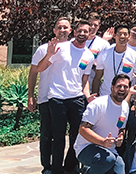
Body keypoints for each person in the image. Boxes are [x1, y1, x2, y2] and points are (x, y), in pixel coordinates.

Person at [37, 19, 96, 174]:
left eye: (86, 31)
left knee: (77, 135)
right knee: (58, 137)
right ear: (74, 32)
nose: (82, 33)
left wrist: (88, 96)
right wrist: (49, 54)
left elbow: (85, 80)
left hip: (76, 99)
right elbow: (40, 68)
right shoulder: (60, 48)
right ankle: (56, 169)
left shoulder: (89, 55)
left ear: (90, 34)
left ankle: (70, 167)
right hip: (57, 98)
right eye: (80, 30)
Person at [28, 17, 72, 174]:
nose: (62, 30)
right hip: (46, 98)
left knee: (66, 135)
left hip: (67, 98)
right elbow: (33, 72)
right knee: (47, 134)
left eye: (65, 27)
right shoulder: (43, 49)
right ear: (54, 30)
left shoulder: (74, 49)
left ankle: (64, 167)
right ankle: (47, 167)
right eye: (59, 27)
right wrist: (31, 96)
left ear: (70, 30)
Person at [75, 74, 133, 174]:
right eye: (119, 86)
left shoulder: (125, 107)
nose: (122, 89)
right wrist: (102, 141)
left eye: (125, 87)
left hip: (109, 150)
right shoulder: (98, 104)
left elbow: (121, 129)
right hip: (86, 147)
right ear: (112, 87)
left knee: (120, 167)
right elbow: (83, 129)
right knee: (108, 160)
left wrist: (121, 137)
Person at [92, 24, 136, 96]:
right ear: (114, 36)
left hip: (125, 97)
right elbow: (97, 78)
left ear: (129, 36)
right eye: (120, 34)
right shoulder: (104, 55)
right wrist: (94, 96)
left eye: (125, 34)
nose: (122, 36)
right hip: (105, 95)